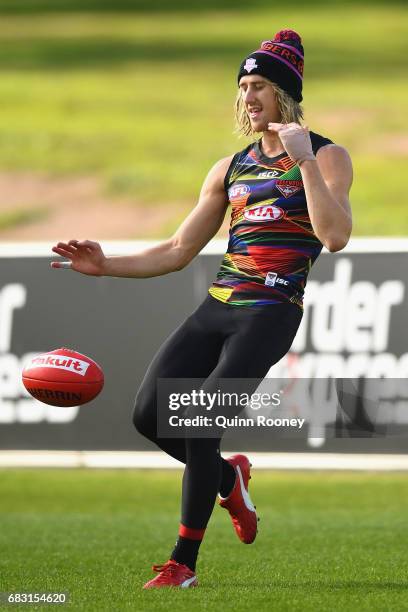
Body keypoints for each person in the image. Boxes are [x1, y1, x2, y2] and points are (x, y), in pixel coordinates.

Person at [51, 29, 353, 589]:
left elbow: (334, 236)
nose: (249, 97)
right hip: (217, 307)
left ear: (285, 93)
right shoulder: (229, 167)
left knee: (200, 418)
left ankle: (182, 564)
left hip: (270, 310)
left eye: (260, 85)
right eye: (243, 87)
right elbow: (175, 250)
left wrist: (305, 159)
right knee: (149, 416)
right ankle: (228, 479)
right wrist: (104, 264)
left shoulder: (328, 155)